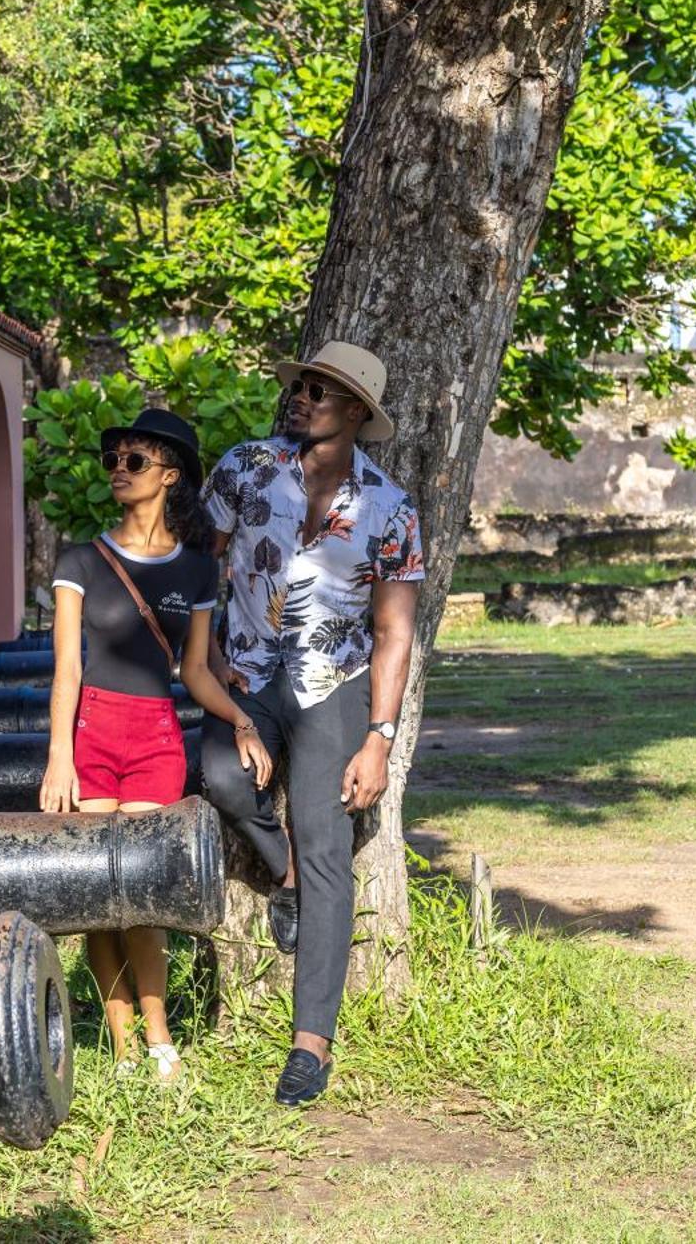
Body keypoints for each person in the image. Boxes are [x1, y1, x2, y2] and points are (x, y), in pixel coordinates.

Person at [198, 340, 424, 1108]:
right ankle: (280, 868)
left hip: (335, 686)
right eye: (303, 385)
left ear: (357, 412)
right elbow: (206, 567)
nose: (304, 397)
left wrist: (378, 737)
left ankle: (310, 1044)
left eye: (323, 391)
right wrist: (210, 656)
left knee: (332, 849)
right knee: (222, 774)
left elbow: (395, 633)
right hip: (250, 677)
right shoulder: (244, 467)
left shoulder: (390, 508)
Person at [39, 407, 274, 1082]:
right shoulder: (81, 559)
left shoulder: (197, 571)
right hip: (91, 732)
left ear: (169, 474)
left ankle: (159, 1035)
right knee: (96, 902)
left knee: (139, 894)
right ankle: (118, 1044)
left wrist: (242, 719)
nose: (118, 467)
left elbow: (196, 670)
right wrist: (59, 754)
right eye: (113, 458)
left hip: (156, 737)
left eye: (134, 460)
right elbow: (68, 669)